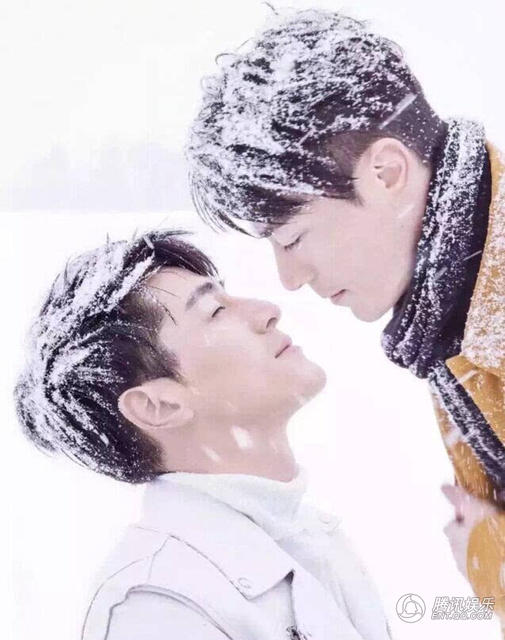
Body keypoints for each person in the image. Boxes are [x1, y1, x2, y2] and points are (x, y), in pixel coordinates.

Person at [186, 7, 505, 620]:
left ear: (385, 173)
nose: (289, 279)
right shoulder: (452, 313)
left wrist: (491, 563)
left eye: (294, 237)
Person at [14, 230, 391, 640]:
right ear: (158, 406)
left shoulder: (308, 536)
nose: (268, 311)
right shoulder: (156, 608)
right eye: (215, 311)